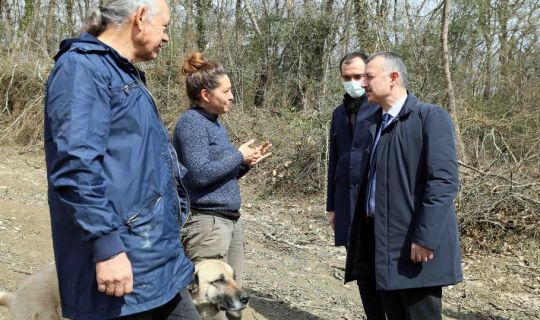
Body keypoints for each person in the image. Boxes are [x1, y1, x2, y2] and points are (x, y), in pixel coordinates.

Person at [44, 0, 200, 319]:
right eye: (165, 26)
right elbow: (76, 170)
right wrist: (107, 248)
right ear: (139, 18)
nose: (167, 37)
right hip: (122, 266)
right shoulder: (82, 69)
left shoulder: (121, 72)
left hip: (155, 259)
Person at [344, 51, 463, 320]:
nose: (363, 83)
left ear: (394, 78)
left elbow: (443, 183)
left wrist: (425, 238)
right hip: (380, 241)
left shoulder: (429, 117)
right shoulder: (374, 124)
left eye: (369, 77)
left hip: (414, 247)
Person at [173, 52, 272, 320]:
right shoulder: (192, 124)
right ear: (206, 94)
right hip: (207, 224)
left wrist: (246, 163)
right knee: (206, 306)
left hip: (229, 221)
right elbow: (198, 176)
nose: (231, 96)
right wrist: (237, 155)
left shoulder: (214, 124)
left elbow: (217, 177)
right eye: (226, 91)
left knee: (232, 301)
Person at [326, 52, 383, 319]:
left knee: (380, 269)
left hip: (373, 205)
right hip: (346, 203)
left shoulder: (380, 109)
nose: (353, 82)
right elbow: (334, 159)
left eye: (358, 76)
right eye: (347, 77)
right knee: (359, 269)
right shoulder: (338, 113)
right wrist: (332, 206)